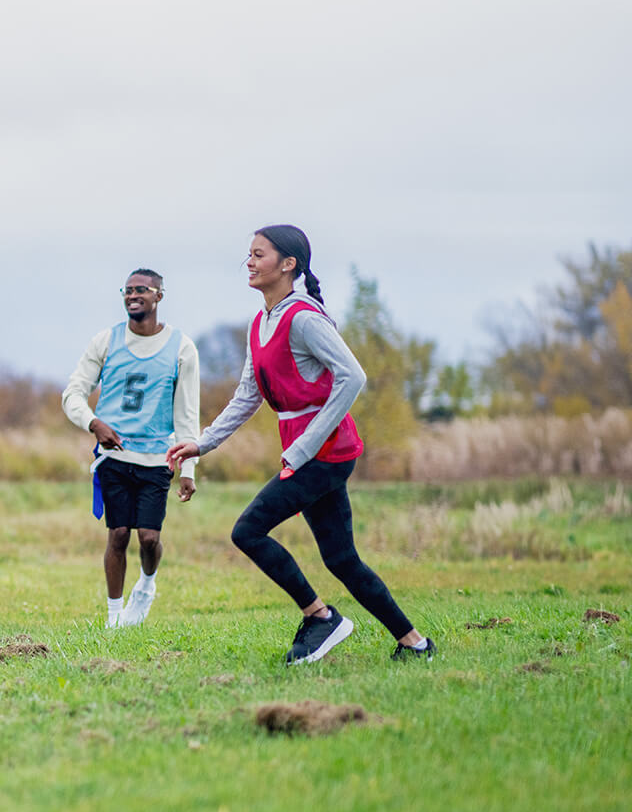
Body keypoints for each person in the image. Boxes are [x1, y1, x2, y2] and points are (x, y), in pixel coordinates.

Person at [167, 226, 435, 664]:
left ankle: (321, 617)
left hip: (326, 452)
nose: (249, 263)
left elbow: (354, 376)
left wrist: (304, 448)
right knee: (342, 559)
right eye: (248, 255)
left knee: (248, 531)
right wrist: (202, 444)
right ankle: (415, 643)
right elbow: (248, 395)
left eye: (259, 255)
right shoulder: (260, 322)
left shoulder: (305, 318)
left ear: (288, 264)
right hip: (310, 452)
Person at [62, 268, 200, 627]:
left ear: (159, 296)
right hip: (113, 457)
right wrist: (94, 423)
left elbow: (187, 413)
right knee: (119, 534)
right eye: (128, 290)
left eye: (142, 290)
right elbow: (73, 393)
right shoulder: (106, 341)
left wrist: (187, 470)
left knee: (149, 537)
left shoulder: (181, 347)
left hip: (157, 459)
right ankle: (112, 618)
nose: (133, 295)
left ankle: (147, 585)